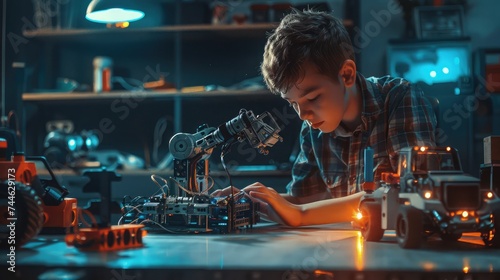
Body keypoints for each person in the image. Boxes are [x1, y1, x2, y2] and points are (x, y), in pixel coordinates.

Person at [213, 9, 437, 227]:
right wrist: (254, 201)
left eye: (312, 97)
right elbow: (303, 201)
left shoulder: (400, 98)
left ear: (346, 74)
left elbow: (409, 193)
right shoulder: (313, 127)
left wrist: (300, 215)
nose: (303, 114)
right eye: (293, 103)